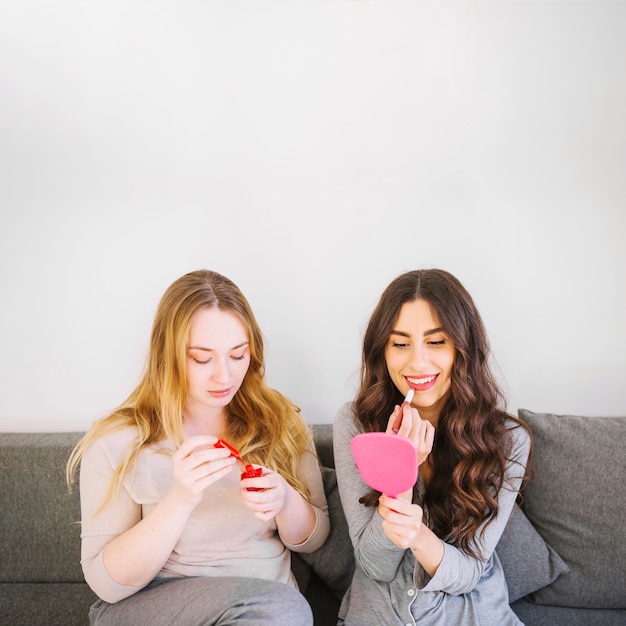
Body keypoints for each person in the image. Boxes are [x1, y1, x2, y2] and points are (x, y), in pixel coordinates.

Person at [66, 269, 329, 626]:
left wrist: (284, 499)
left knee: (282, 609)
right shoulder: (117, 441)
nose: (224, 376)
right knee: (284, 610)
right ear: (167, 355)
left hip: (266, 607)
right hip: (156, 605)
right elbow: (107, 587)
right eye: (201, 359)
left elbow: (313, 541)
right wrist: (180, 500)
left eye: (238, 355)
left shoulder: (280, 421)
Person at [333, 269, 532, 626]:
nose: (417, 363)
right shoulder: (355, 423)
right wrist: (400, 478)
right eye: (400, 343)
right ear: (383, 351)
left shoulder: (508, 439)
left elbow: (469, 573)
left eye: (436, 342)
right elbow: (375, 565)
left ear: (463, 348)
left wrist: (419, 536)